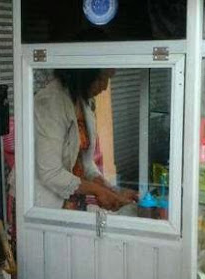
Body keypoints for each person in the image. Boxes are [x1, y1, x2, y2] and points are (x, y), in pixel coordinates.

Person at [34, 68, 138, 211]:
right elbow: (50, 173)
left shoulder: (82, 101)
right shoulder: (50, 102)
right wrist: (98, 191)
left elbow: (85, 164)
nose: (105, 87)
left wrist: (112, 191)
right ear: (84, 75)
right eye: (101, 79)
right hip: (41, 203)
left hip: (70, 202)